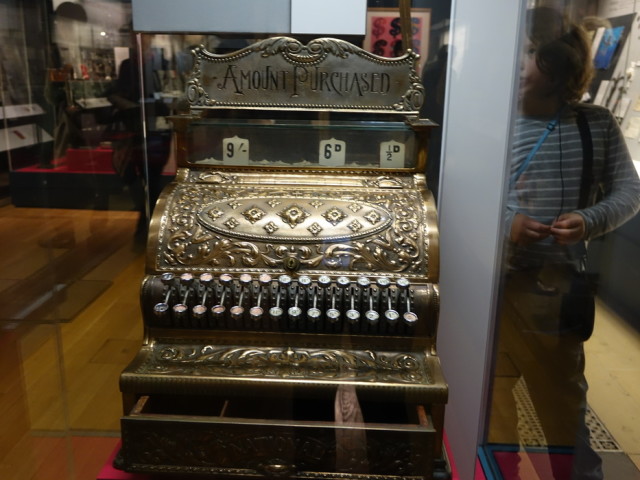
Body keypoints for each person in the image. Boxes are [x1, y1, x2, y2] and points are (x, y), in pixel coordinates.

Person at [496, 6, 640, 479]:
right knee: (494, 407)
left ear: (561, 63)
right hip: (493, 287)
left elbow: (629, 191)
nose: (517, 63)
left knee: (561, 406)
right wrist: (508, 223)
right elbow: (457, 192)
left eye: (530, 53)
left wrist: (587, 219)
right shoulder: (490, 121)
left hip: (553, 292)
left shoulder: (594, 123)